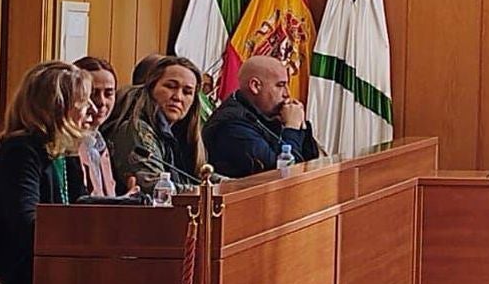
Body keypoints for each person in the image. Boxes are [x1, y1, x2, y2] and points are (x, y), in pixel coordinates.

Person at [0, 62, 91, 284]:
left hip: (52, 268)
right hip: (19, 277)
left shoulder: (61, 151)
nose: (92, 110)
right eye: (84, 101)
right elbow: (28, 226)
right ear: (58, 106)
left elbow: (81, 204)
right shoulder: (21, 152)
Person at [203, 55, 319, 177]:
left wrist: (301, 124)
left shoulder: (263, 113)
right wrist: (292, 128)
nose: (287, 94)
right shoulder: (231, 125)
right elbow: (280, 174)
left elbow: (311, 161)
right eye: (280, 85)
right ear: (255, 86)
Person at [103, 56, 206, 192]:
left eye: (187, 92)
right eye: (170, 86)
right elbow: (155, 187)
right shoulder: (135, 128)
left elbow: (197, 175)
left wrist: (234, 185)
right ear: (151, 87)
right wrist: (206, 192)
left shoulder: (179, 131)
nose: (178, 97)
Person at [72, 56, 120, 196]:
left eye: (109, 93)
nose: (101, 102)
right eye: (93, 93)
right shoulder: (69, 146)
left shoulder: (101, 143)